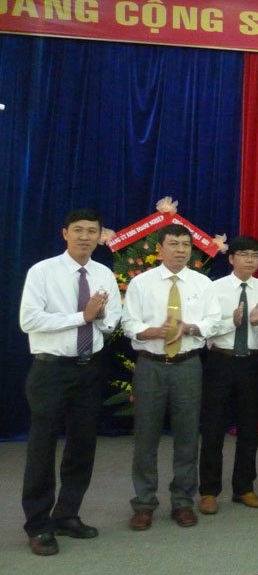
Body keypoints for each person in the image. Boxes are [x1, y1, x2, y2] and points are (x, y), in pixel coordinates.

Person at [19, 209, 122, 556]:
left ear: (99, 236)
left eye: (92, 231)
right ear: (65, 233)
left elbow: (112, 322)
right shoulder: (43, 271)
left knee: (82, 447)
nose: (85, 237)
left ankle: (67, 514)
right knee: (42, 448)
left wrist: (101, 317)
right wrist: (83, 316)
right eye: (78, 230)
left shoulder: (104, 274)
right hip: (51, 371)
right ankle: (38, 525)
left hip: (89, 369)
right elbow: (29, 320)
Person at [122, 224, 220, 530]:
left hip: (187, 365)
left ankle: (182, 501)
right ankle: (144, 503)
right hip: (150, 365)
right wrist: (154, 331)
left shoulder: (203, 284)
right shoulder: (141, 283)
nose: (180, 250)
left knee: (188, 436)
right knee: (146, 437)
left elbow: (213, 321)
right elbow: (128, 324)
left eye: (185, 245)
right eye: (174, 244)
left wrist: (187, 328)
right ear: (160, 248)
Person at [198, 235, 258, 516]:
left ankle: (244, 487)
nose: (250, 260)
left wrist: (256, 325)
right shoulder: (214, 289)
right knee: (213, 428)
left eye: (255, 255)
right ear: (231, 258)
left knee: (249, 428)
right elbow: (206, 328)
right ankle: (208, 491)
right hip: (220, 361)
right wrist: (234, 321)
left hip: (253, 363)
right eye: (244, 255)